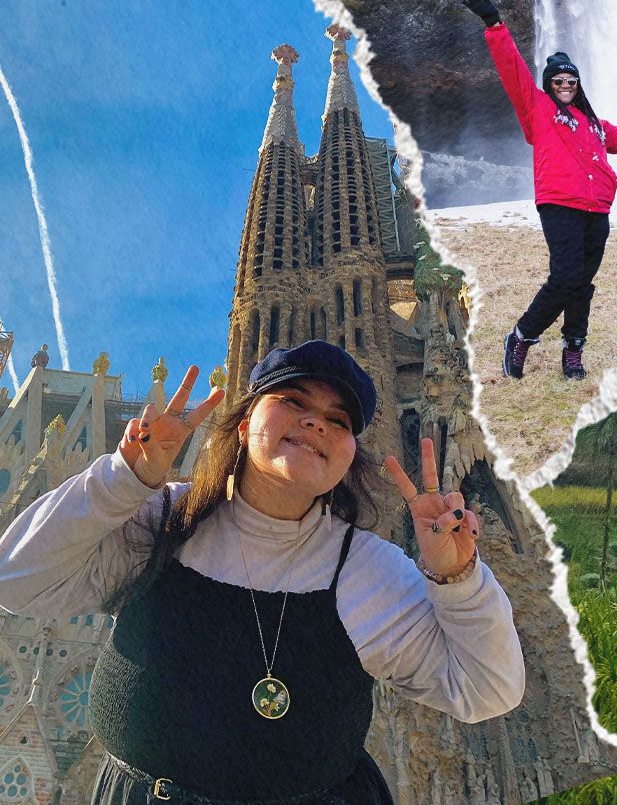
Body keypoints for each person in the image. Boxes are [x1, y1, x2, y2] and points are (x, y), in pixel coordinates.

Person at [0, 341, 526, 804]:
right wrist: (123, 481)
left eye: (338, 421)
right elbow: (15, 580)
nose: (316, 421)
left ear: (349, 457)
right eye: (293, 402)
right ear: (245, 421)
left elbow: (488, 690)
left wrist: (459, 580)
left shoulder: (367, 570)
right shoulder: (165, 523)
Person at [462, 0, 617, 381]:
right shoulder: (537, 108)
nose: (564, 84)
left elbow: (615, 134)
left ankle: (573, 349)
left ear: (577, 83)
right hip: (560, 204)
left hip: (597, 209)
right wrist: (494, 25)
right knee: (565, 277)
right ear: (548, 84)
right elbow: (512, 70)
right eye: (557, 79)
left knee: (582, 283)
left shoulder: (590, 121)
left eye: (570, 79)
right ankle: (522, 336)